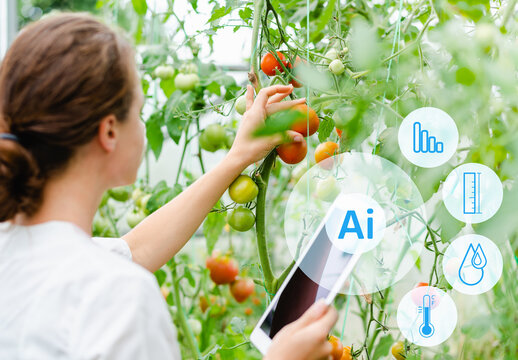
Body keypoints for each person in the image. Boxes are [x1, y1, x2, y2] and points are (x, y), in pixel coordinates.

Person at [0, 13, 339, 360]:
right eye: (140, 110)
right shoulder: (121, 297)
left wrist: (237, 157)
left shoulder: (18, 251)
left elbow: (137, 250)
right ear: (109, 132)